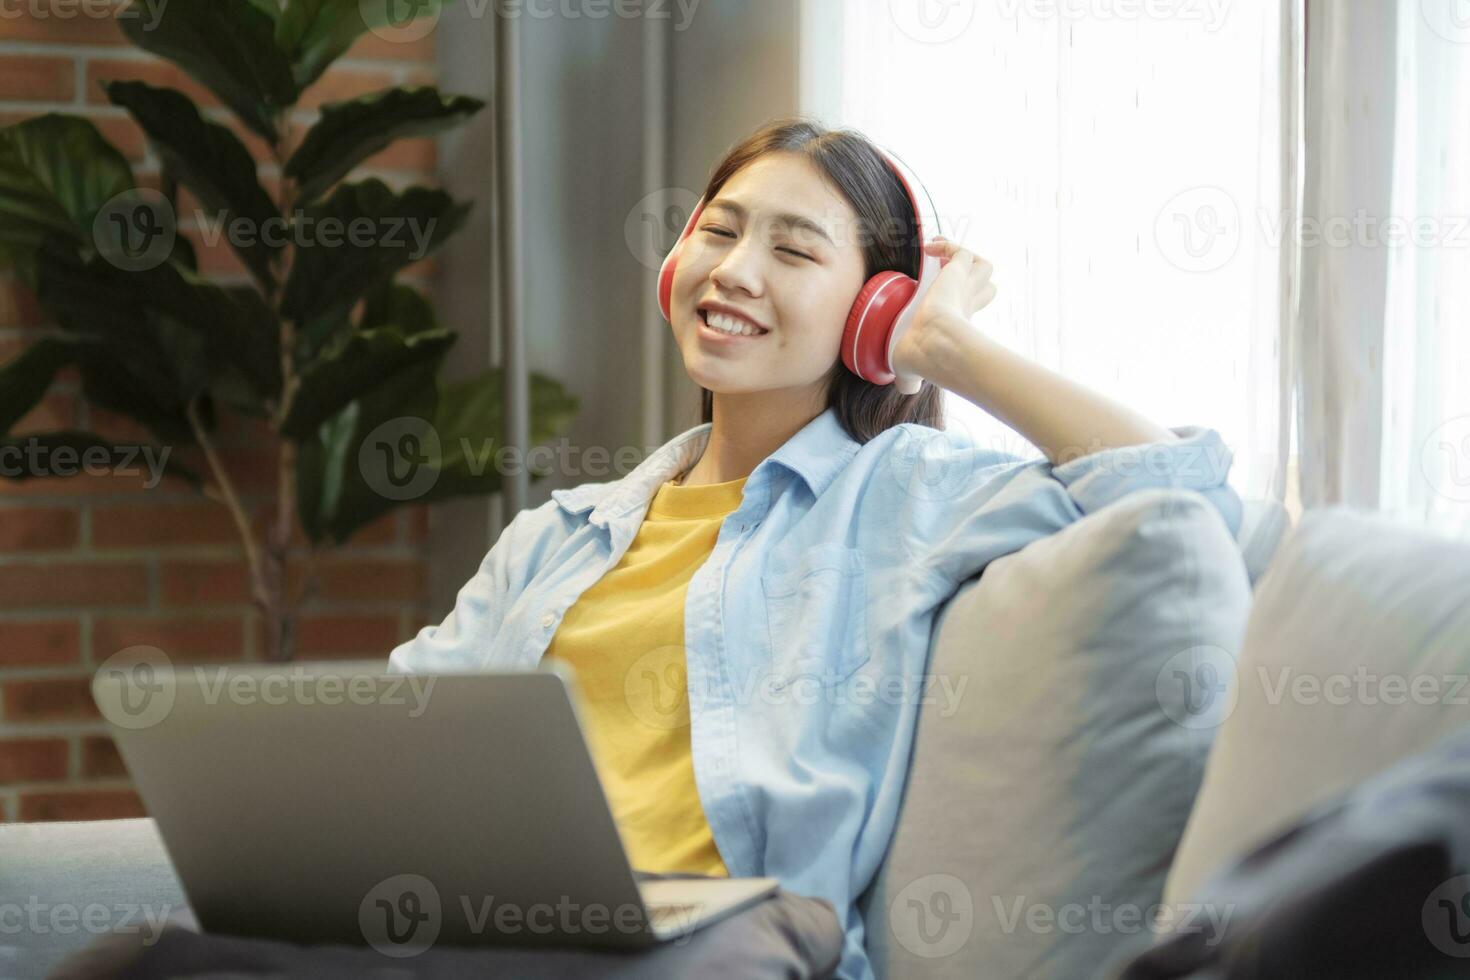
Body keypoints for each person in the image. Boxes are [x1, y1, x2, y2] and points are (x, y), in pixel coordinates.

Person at [388, 117, 1242, 980]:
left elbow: (1177, 492)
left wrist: (945, 346)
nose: (734, 270)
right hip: (490, 925)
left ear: (874, 312)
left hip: (717, 938)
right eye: (718, 232)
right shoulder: (556, 536)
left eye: (794, 253)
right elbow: (392, 733)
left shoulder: (902, 494)